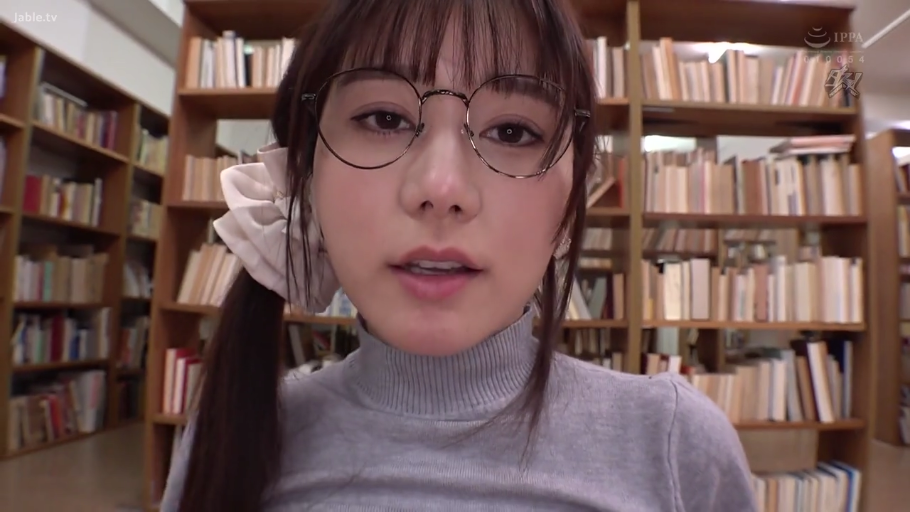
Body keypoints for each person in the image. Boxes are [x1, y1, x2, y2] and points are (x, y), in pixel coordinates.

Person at [161, 0, 757, 510]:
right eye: (384, 118)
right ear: (303, 177)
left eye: (513, 132)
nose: (441, 188)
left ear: (573, 199)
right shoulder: (232, 436)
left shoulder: (673, 447)